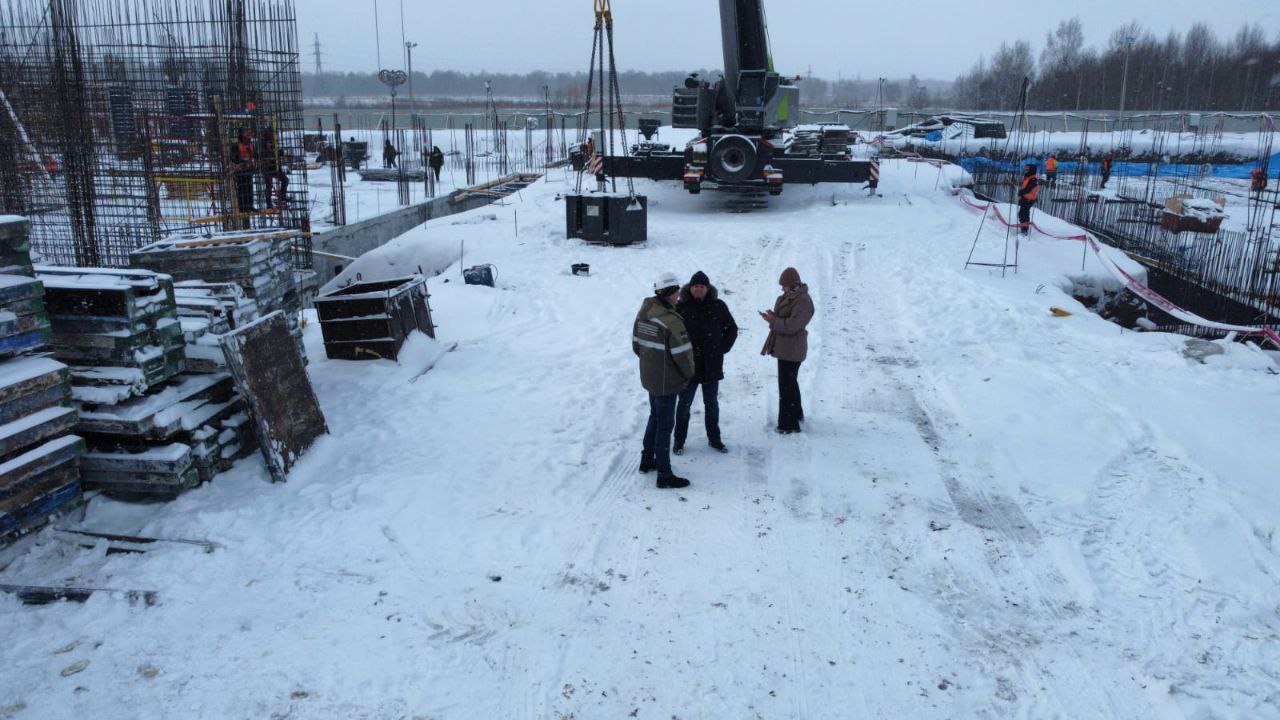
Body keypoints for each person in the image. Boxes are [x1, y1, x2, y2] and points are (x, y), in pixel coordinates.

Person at [633, 272, 696, 488]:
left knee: (655, 418)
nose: (679, 295)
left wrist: (652, 363)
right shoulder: (670, 321)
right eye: (676, 291)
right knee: (665, 426)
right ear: (669, 293)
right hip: (667, 382)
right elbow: (683, 356)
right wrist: (688, 375)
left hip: (650, 378)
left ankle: (647, 460)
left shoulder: (644, 313)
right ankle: (664, 474)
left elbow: (636, 345)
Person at [673, 270, 738, 455]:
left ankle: (715, 439)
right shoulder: (681, 307)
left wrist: (722, 348)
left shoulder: (718, 306)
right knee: (684, 405)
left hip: (712, 365)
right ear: (690, 288)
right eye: (696, 286)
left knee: (712, 404)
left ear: (708, 289)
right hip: (688, 366)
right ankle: (679, 441)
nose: (699, 289)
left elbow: (731, 328)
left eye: (702, 286)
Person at [760, 267, 814, 434]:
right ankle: (796, 416)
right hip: (787, 348)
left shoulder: (803, 300)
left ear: (793, 284)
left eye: (784, 285)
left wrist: (773, 320)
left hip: (792, 349)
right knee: (790, 383)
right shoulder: (791, 296)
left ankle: (787, 425)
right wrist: (773, 316)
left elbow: (792, 326)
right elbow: (786, 318)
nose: (782, 288)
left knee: (786, 386)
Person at [228, 127, 256, 215]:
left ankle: (249, 206)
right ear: (241, 135)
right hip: (240, 170)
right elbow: (233, 157)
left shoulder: (250, 143)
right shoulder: (236, 145)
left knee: (249, 188)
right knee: (242, 188)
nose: (248, 136)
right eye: (245, 133)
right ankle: (242, 207)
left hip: (248, 169)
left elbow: (254, 154)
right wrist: (241, 162)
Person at [1017, 163, 1039, 236]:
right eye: (1026, 169)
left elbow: (1028, 189)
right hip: (1025, 198)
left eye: (1027, 169)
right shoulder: (1028, 177)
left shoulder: (1033, 179)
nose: (1026, 171)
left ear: (1031, 170)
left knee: (1024, 214)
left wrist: (1021, 192)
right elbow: (1025, 188)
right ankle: (1023, 228)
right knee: (1022, 214)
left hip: (1028, 200)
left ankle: (1024, 230)